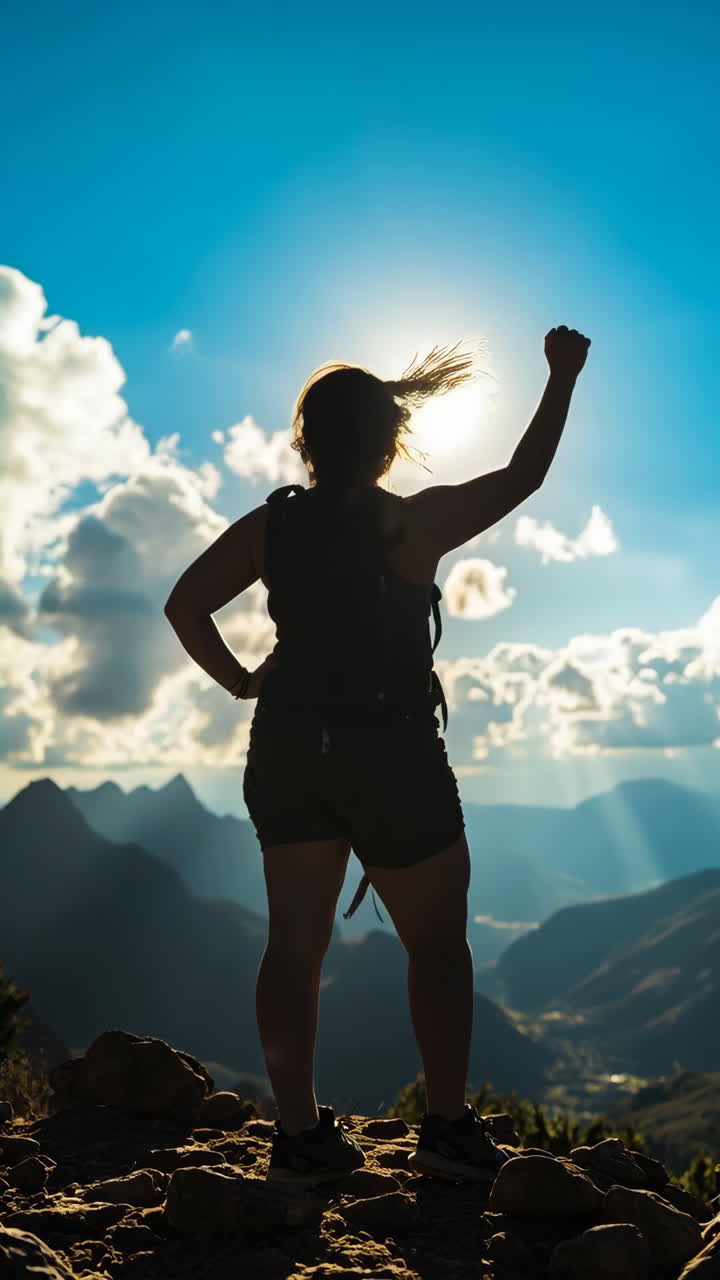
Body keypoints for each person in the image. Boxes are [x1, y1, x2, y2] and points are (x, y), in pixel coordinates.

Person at [164, 325, 591, 1188]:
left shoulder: (269, 528)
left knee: (293, 945)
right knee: (436, 947)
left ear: (306, 442)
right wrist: (562, 376)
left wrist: (246, 682)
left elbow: (184, 606)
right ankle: (443, 1128)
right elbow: (525, 475)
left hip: (286, 747)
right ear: (390, 441)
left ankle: (297, 1138)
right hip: (390, 751)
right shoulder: (412, 523)